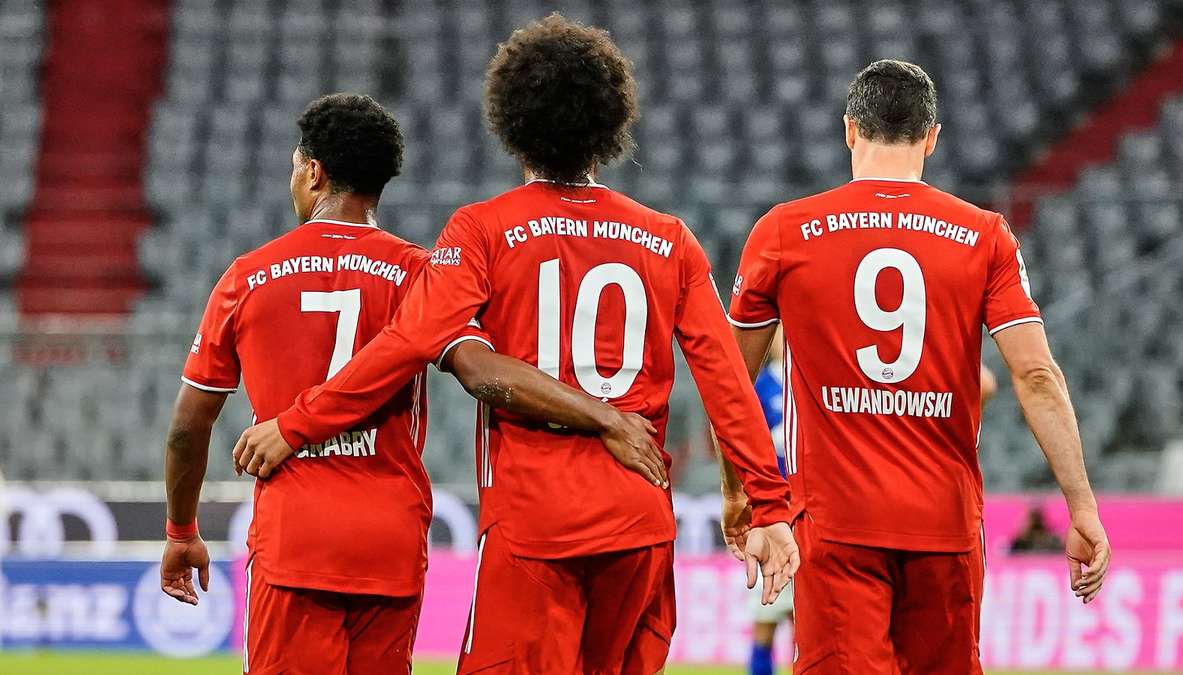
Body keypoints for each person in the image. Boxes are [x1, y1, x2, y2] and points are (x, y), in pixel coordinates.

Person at [233, 15, 799, 674]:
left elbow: (407, 341)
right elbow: (726, 378)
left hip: (535, 525)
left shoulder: (482, 229)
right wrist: (767, 502)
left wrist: (296, 424)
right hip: (639, 518)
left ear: (513, 121)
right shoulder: (669, 238)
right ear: (609, 124)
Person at [159, 93, 665, 675]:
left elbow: (188, 425)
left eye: (295, 166)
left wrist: (181, 531)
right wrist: (603, 415)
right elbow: (477, 368)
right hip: (390, 537)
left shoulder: (247, 277)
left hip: (294, 537)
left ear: (313, 172)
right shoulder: (421, 274)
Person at [719, 60, 1110, 674]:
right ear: (932, 138)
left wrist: (739, 492)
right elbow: (1036, 376)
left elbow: (731, 382)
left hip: (836, 524)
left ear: (850, 130)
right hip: (945, 526)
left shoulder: (783, 232)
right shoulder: (985, 235)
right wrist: (1081, 506)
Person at [745, 331, 793, 675]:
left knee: (806, 622)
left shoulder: (809, 381)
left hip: (808, 513)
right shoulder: (761, 385)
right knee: (765, 618)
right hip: (771, 511)